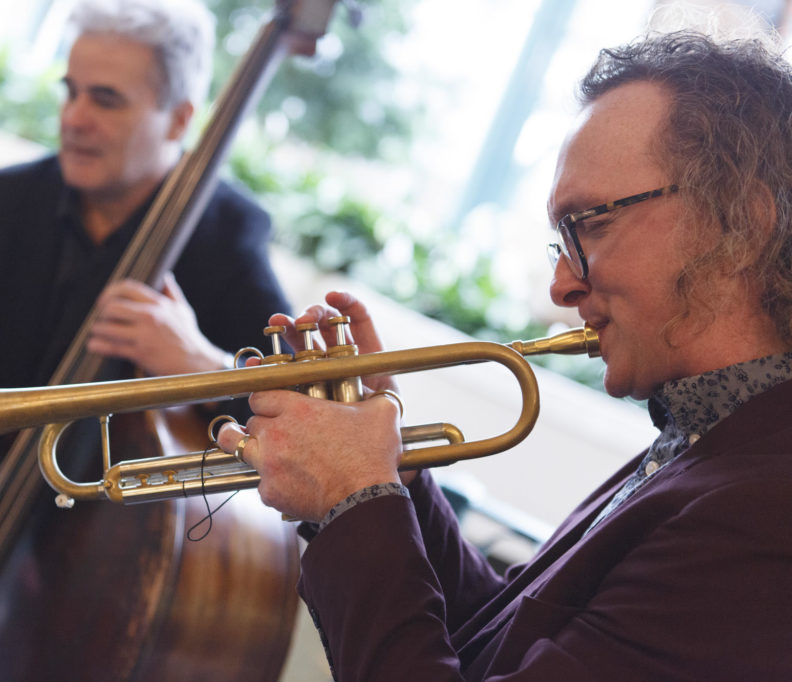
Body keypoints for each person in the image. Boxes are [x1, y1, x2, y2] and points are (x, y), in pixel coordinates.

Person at [219, 28, 792, 680]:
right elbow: (494, 636)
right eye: (562, 239)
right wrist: (390, 471)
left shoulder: (768, 511)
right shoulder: (706, 432)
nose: (562, 285)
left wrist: (355, 498)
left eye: (593, 224)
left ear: (741, 223)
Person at [0, 0, 290, 679]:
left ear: (181, 118)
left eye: (106, 100)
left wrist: (199, 362)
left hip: (80, 644)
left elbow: (305, 418)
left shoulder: (225, 244)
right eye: (70, 91)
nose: (74, 118)